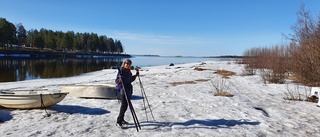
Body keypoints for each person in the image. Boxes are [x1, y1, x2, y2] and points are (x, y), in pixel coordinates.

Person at [115, 59, 139, 127]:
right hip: (123, 90)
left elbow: (130, 79)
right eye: (127, 63)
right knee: (123, 106)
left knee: (125, 106)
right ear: (124, 63)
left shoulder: (128, 71)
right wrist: (120, 80)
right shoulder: (121, 71)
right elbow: (117, 81)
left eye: (129, 64)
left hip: (128, 90)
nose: (128, 65)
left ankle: (121, 119)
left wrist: (135, 75)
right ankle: (119, 121)